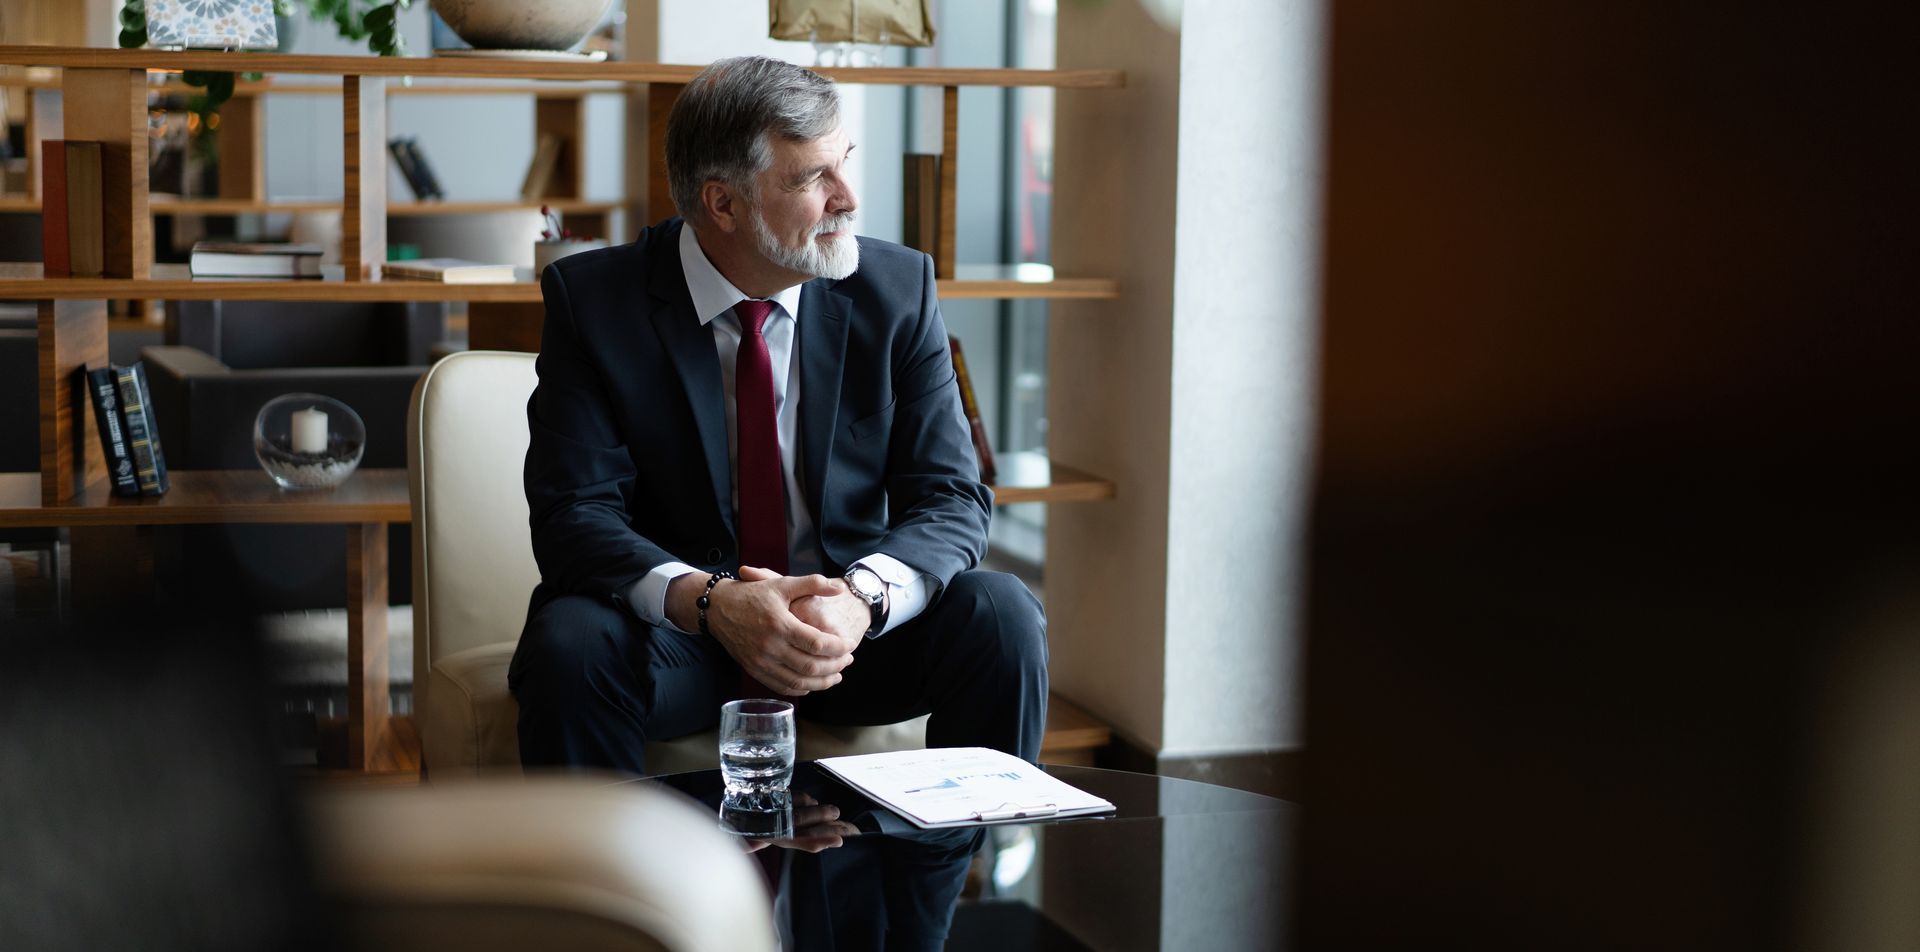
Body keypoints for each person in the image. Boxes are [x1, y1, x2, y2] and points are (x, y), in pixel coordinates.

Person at [509, 55, 1048, 775]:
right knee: (571, 643)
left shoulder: (897, 289)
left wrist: (860, 600)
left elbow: (951, 496)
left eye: (844, 161)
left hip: (847, 637)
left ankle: (950, 850)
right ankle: (604, 855)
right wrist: (713, 603)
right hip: (683, 641)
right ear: (723, 204)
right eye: (812, 178)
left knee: (1002, 614)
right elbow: (574, 514)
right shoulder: (595, 303)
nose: (847, 197)